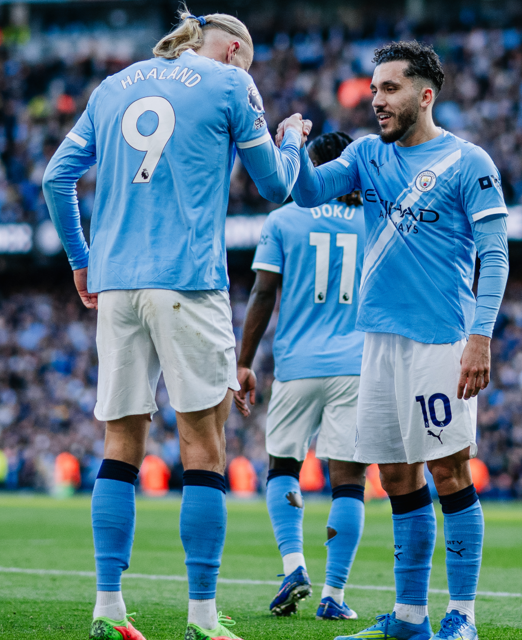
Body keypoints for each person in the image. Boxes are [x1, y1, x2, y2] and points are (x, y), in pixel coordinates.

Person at [42, 9, 309, 640]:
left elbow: (57, 177)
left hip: (117, 284)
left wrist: (83, 263)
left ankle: (108, 609)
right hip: (188, 281)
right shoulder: (230, 83)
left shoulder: (113, 87)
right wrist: (290, 134)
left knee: (120, 447)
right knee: (203, 447)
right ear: (233, 50)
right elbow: (276, 186)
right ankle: (203, 618)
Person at [284, 41, 510, 640]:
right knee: (398, 476)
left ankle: (462, 617)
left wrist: (480, 337)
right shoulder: (365, 155)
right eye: (373, 88)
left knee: (450, 470)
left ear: (424, 95)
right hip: (378, 341)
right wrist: (291, 144)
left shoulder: (469, 162)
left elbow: (496, 254)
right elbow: (306, 192)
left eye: (389, 89)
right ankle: (410, 618)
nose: (375, 99)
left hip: (442, 340)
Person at [235, 132, 369, 622]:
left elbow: (263, 294)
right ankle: (334, 595)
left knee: (283, 468)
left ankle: (294, 565)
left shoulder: (284, 219)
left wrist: (244, 361)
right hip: (356, 367)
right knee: (349, 482)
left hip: (297, 366)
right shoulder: (372, 220)